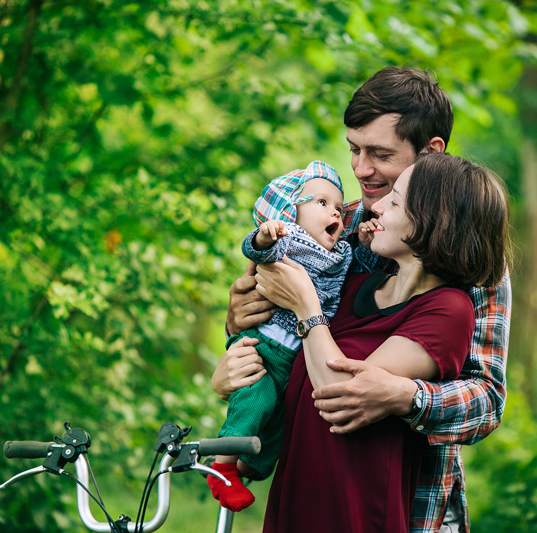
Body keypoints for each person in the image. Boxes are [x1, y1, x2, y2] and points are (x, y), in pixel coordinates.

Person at [214, 67, 512, 531]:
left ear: (431, 152)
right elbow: (279, 340)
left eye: (380, 154)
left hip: (404, 500)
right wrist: (237, 337)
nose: (360, 169)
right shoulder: (329, 228)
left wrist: (404, 395)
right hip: (307, 483)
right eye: (354, 149)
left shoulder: (470, 262)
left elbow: (487, 401)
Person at [207, 161, 352, 512]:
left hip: (295, 358)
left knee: (278, 425)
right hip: (264, 347)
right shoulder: (287, 239)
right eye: (321, 203)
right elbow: (256, 251)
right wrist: (265, 235)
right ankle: (222, 467)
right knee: (256, 400)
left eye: (338, 207)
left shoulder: (340, 253)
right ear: (289, 213)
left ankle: (247, 469)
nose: (335, 211)